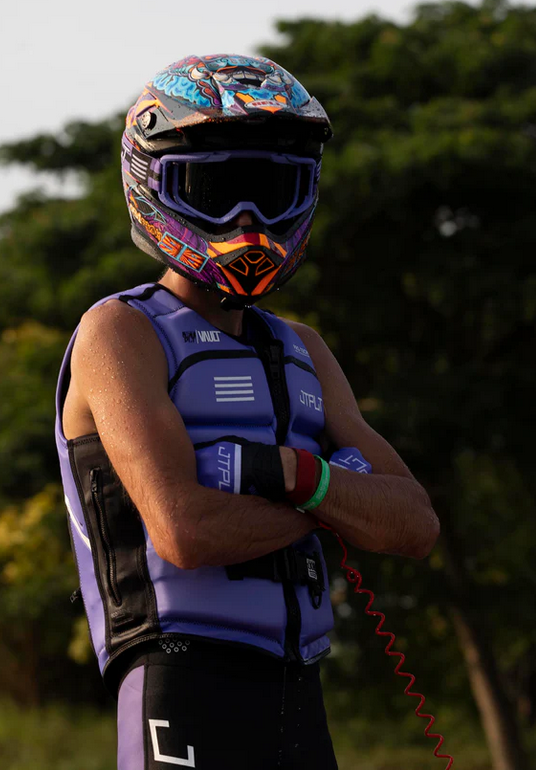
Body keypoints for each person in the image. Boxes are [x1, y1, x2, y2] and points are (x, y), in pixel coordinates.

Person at [54, 53, 439, 770]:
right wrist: (337, 499)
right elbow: (185, 530)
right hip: (182, 678)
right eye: (215, 189)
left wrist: (290, 473)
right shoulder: (120, 331)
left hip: (301, 689)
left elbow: (414, 523)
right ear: (151, 185)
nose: (245, 217)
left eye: (270, 190)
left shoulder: (303, 346)